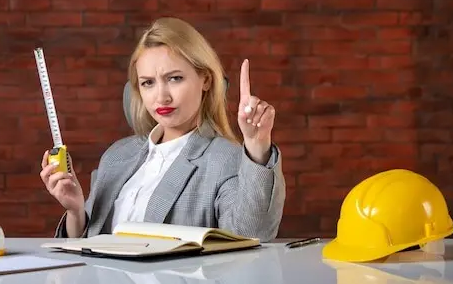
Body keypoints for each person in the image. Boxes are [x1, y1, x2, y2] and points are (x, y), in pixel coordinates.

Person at [39, 17, 286, 242]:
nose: (161, 97)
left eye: (174, 78)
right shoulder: (116, 157)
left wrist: (257, 145)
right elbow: (87, 247)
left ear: (206, 80)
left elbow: (251, 234)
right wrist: (76, 211)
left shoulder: (225, 158)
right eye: (148, 83)